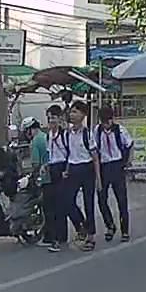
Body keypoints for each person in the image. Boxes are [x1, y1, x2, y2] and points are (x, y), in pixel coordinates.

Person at [44, 104, 85, 252]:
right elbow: (51, 153)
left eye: (54, 118)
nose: (51, 121)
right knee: (55, 204)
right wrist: (46, 166)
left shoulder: (65, 135)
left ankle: (62, 237)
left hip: (64, 169)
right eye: (49, 118)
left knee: (63, 203)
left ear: (60, 118)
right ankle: (62, 235)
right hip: (53, 169)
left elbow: (70, 153)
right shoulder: (49, 135)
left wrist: (66, 170)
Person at [62, 101, 101, 251]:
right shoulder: (67, 134)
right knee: (67, 201)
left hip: (87, 169)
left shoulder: (87, 134)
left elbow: (95, 157)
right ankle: (82, 225)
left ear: (83, 115)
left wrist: (98, 179)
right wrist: (67, 170)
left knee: (88, 203)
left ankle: (91, 236)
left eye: (75, 112)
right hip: (73, 169)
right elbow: (69, 154)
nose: (72, 115)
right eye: (71, 112)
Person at [95, 105, 133, 243]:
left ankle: (125, 230)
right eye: (104, 121)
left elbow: (129, 144)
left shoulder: (120, 130)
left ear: (112, 119)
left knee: (121, 200)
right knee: (101, 199)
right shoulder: (97, 131)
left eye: (108, 120)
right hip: (104, 167)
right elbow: (95, 150)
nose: (106, 124)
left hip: (117, 165)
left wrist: (127, 162)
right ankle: (110, 225)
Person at [22, 116, 52, 246]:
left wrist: (28, 176)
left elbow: (35, 164)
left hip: (43, 177)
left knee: (45, 207)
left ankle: (48, 237)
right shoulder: (45, 137)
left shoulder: (35, 142)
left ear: (30, 129)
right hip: (52, 175)